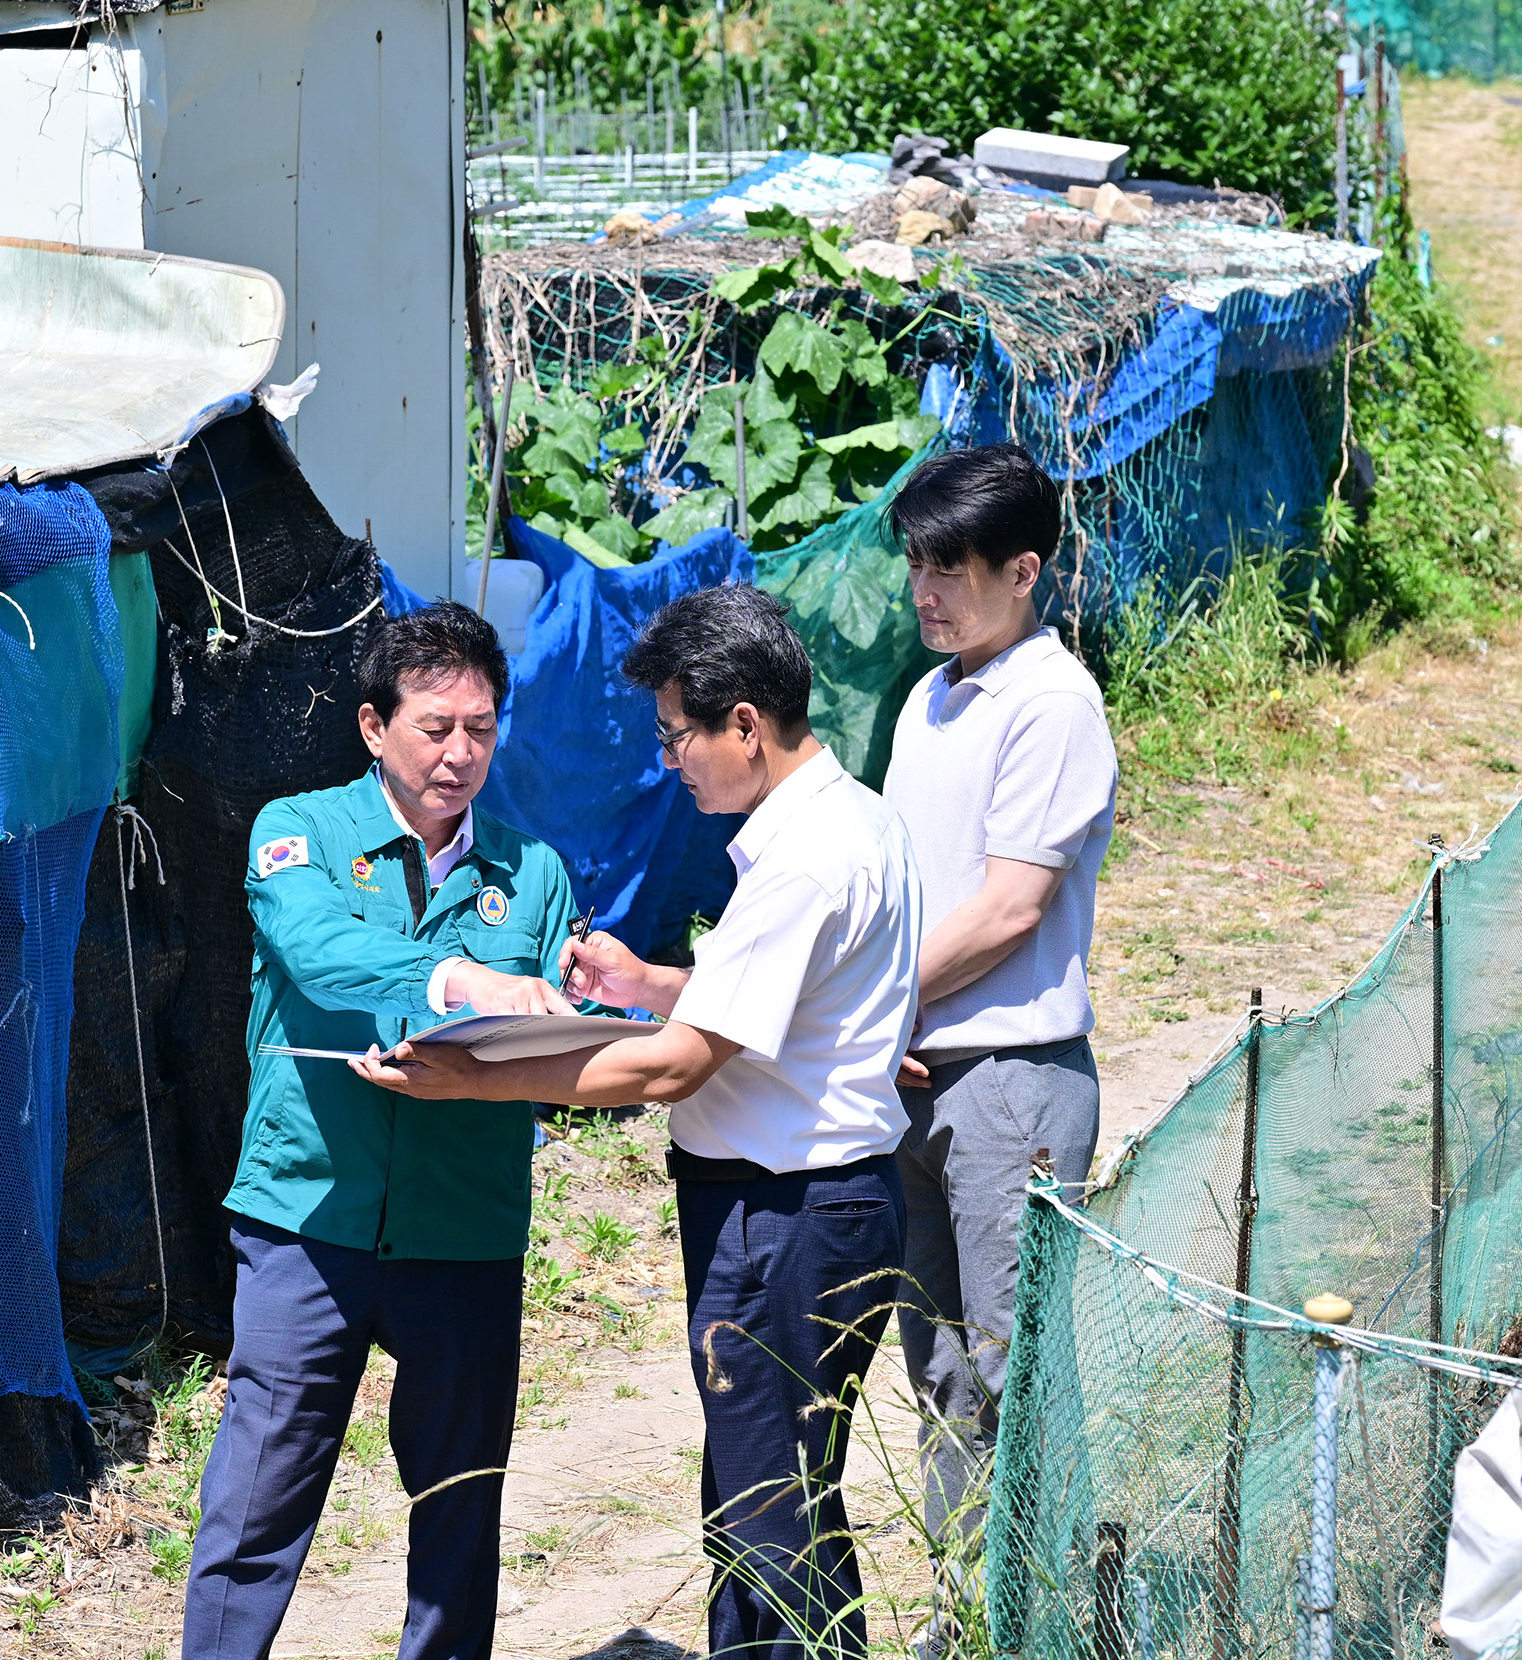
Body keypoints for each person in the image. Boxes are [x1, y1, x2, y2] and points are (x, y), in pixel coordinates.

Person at [357, 584, 919, 1660]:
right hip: (829, 1202)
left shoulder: (799, 860)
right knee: (781, 1491)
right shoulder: (856, 816)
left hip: (782, 1217)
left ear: (744, 724)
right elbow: (764, 1008)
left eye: (678, 735)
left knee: (768, 1516)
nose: (671, 762)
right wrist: (652, 979)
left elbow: (678, 1065)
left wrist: (483, 1077)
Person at [181, 602, 583, 1660]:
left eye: (482, 728)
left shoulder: (532, 871)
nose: (460, 753)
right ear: (373, 726)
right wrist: (454, 980)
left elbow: (539, 1047)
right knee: (257, 1498)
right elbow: (317, 956)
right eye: (435, 726)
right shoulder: (295, 830)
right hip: (309, 1210)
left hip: (466, 1222)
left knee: (458, 1497)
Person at [882, 444, 1118, 1608]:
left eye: (953, 565)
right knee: (937, 1370)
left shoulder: (1052, 701)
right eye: (919, 560)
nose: (926, 587)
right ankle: (961, 1603)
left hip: (1011, 1080)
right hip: (917, 1069)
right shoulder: (930, 695)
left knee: (1011, 1369)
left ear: (1023, 570)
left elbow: (1010, 907)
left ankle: (1041, 1611)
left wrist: (875, 1003)